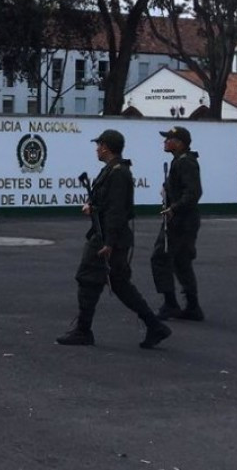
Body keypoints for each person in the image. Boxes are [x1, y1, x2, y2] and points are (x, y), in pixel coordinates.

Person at [55, 129, 172, 349]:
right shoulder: (113, 170)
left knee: (88, 278)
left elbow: (116, 211)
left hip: (108, 237)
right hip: (110, 235)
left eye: (99, 145)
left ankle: (83, 330)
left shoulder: (117, 173)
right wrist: (93, 207)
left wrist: (108, 242)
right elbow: (108, 204)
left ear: (106, 147)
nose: (96, 149)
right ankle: (154, 326)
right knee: (118, 284)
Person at [151, 126, 205, 321]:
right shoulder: (179, 161)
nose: (165, 142)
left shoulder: (185, 163)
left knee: (160, 258)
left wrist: (174, 208)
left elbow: (193, 192)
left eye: (169, 139)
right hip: (184, 220)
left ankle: (171, 304)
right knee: (181, 261)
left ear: (180, 143)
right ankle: (192, 307)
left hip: (181, 221)